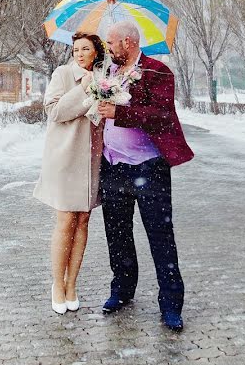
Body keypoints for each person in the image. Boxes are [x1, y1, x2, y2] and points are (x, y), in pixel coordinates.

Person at [96, 21, 194, 331]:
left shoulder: (157, 71)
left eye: (111, 43)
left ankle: (171, 305)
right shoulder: (108, 72)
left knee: (160, 237)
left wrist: (119, 113)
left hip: (148, 168)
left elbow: (162, 116)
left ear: (127, 42)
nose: (108, 48)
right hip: (113, 166)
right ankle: (122, 291)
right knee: (118, 234)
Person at [33, 33, 106, 315]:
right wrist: (84, 90)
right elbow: (54, 111)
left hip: (91, 159)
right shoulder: (63, 74)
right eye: (75, 49)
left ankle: (73, 283)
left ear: (96, 52)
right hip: (65, 158)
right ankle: (57, 284)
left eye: (86, 49)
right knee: (66, 219)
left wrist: (104, 97)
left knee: (83, 220)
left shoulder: (104, 78)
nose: (79, 53)